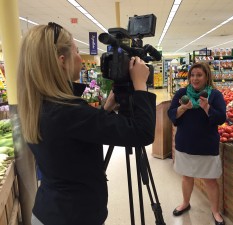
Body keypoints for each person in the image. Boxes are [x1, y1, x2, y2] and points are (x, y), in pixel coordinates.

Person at [16, 22, 156, 225]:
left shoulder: (37, 104)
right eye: (76, 51)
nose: (81, 58)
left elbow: (71, 139)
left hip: (48, 210)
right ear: (62, 61)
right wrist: (141, 85)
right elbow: (141, 133)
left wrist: (105, 110)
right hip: (74, 216)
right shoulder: (68, 111)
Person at [167, 62, 226, 225]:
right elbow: (171, 114)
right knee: (187, 176)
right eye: (192, 75)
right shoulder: (181, 93)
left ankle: (215, 211)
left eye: (199, 75)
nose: (195, 78)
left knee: (210, 180)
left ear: (206, 76)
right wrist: (182, 108)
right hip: (185, 143)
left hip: (206, 145)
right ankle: (185, 203)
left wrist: (207, 108)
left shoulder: (214, 95)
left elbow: (221, 118)